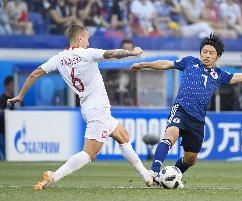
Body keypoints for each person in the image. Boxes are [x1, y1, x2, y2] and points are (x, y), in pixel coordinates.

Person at [7, 24, 153, 190]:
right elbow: (113, 54)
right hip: (98, 109)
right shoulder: (86, 54)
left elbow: (34, 74)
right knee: (89, 154)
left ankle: (146, 175)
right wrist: (133, 53)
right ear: (79, 39)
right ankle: (55, 176)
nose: (89, 43)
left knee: (123, 136)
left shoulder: (59, 58)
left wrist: (20, 96)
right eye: (87, 39)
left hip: (88, 107)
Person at [131, 33, 242, 188]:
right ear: (200, 52)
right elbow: (166, 63)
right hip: (181, 109)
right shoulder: (189, 62)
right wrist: (144, 64)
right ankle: (153, 172)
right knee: (170, 134)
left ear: (217, 56)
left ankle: (169, 177)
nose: (207, 55)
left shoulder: (219, 74)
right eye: (204, 51)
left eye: (211, 53)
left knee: (190, 159)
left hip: (197, 120)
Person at [0, 76, 14, 160]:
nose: (13, 87)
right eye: (12, 85)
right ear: (6, 86)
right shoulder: (1, 99)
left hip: (13, 130)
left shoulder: (16, 99)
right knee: (5, 154)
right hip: (2, 129)